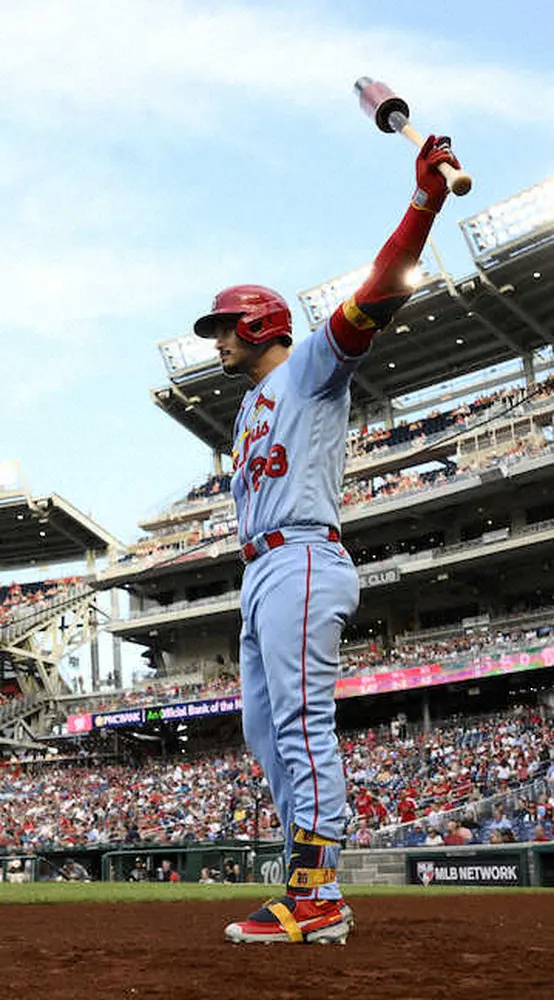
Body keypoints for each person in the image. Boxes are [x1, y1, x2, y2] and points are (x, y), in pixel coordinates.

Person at [193, 134, 461, 945]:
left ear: (259, 321)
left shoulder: (311, 364)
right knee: (263, 732)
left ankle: (318, 896)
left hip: (302, 555)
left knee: (302, 722)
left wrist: (423, 205)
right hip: (262, 568)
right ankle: (304, 884)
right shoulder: (247, 406)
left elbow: (378, 293)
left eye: (224, 327)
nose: (216, 339)